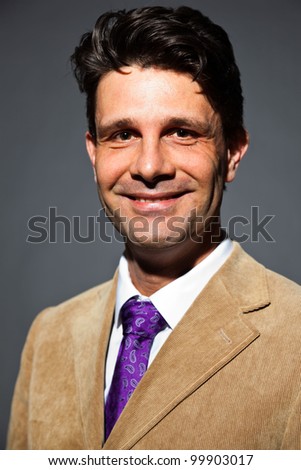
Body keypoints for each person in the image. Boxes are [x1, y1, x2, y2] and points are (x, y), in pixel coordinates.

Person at [7, 6, 301, 450]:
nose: (148, 167)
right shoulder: (49, 335)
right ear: (94, 153)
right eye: (122, 134)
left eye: (181, 132)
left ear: (232, 153)